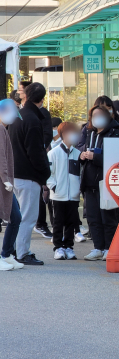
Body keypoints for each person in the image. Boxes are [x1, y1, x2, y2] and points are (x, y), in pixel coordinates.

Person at [8, 82, 50, 265]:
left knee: (17, 216)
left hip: (14, 173)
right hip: (28, 175)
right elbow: (36, 152)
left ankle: (13, 250)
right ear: (42, 99)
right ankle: (22, 253)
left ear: (25, 95)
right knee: (27, 216)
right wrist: (45, 172)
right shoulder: (33, 120)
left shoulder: (17, 116)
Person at [80, 105, 119, 261]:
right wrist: (83, 155)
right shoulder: (89, 132)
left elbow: (116, 158)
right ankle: (97, 247)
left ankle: (108, 247)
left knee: (108, 217)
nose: (96, 118)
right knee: (93, 217)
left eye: (100, 114)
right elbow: (81, 149)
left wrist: (95, 157)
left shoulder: (115, 133)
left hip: (105, 181)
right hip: (89, 181)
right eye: (94, 115)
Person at [47, 122, 81, 261]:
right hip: (58, 194)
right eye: (69, 132)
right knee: (58, 221)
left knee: (71, 222)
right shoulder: (53, 153)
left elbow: (80, 173)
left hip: (73, 195)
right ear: (62, 135)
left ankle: (69, 246)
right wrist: (53, 186)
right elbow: (48, 173)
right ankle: (58, 247)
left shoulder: (78, 154)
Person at [0, 99, 24, 270]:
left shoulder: (3, 129)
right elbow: (1, 156)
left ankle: (6, 254)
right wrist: (6, 178)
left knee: (15, 217)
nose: (14, 117)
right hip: (3, 182)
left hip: (5, 183)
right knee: (13, 217)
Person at [34, 116, 62, 240]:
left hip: (58, 177)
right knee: (45, 200)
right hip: (46, 177)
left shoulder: (63, 143)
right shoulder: (46, 142)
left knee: (53, 205)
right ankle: (41, 224)